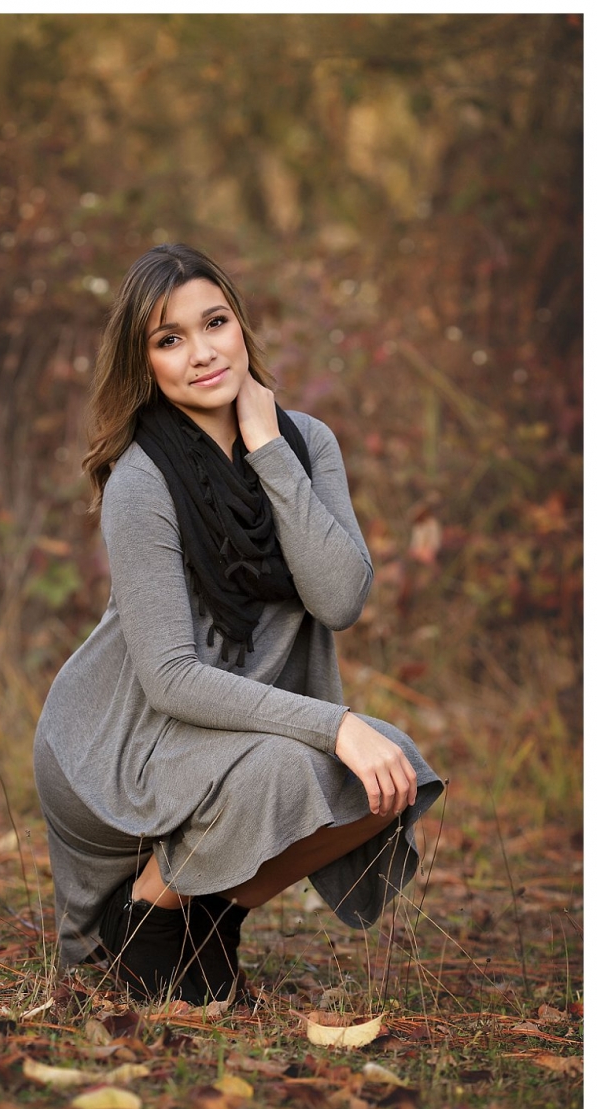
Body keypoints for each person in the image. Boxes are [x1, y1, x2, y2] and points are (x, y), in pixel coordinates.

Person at [33, 242, 444, 1005]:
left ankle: (194, 915)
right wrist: (334, 723)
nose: (200, 353)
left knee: (396, 768)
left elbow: (340, 596)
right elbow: (170, 677)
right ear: (145, 363)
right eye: (169, 339)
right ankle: (156, 907)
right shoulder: (140, 478)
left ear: (242, 327)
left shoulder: (306, 443)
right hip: (119, 737)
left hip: (227, 730)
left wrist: (266, 448)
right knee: (303, 764)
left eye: (213, 322)